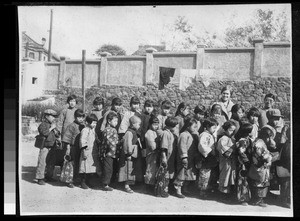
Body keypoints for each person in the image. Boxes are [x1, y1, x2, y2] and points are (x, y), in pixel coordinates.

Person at [248, 127, 274, 207]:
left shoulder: (257, 141)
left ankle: (257, 199)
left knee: (258, 182)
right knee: (260, 183)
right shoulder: (260, 143)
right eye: (268, 137)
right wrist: (271, 156)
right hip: (260, 166)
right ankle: (258, 200)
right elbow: (264, 156)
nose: (269, 139)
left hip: (256, 165)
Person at [173, 117, 198, 198]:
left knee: (187, 174)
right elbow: (182, 146)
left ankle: (185, 189)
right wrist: (184, 157)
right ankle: (178, 191)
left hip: (190, 158)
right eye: (194, 126)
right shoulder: (183, 135)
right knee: (181, 174)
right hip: (183, 159)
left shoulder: (192, 135)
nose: (195, 128)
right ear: (188, 126)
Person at [118, 115, 143, 193]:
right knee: (127, 170)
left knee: (131, 169)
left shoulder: (134, 132)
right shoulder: (129, 132)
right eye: (138, 124)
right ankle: (126, 185)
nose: (139, 126)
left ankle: (130, 183)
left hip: (133, 154)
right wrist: (128, 154)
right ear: (133, 124)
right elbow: (127, 144)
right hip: (129, 155)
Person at [35, 109, 60, 185]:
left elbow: (58, 134)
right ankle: (40, 178)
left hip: (52, 146)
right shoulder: (43, 124)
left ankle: (49, 176)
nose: (53, 118)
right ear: (46, 116)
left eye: (54, 116)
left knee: (51, 162)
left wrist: (56, 131)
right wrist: (51, 128)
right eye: (52, 116)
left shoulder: (52, 124)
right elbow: (44, 133)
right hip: (45, 146)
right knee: (42, 162)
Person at [61, 109, 85, 188]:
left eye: (82, 117)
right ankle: (69, 180)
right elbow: (67, 137)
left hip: (80, 148)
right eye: (79, 117)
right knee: (71, 164)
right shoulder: (71, 126)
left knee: (78, 164)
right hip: (73, 147)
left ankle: (76, 179)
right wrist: (68, 147)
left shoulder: (83, 126)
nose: (80, 119)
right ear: (75, 117)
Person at [197, 117, 219, 199]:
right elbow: (202, 145)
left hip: (210, 157)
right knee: (204, 175)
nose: (214, 130)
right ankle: (202, 191)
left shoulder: (210, 135)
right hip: (206, 157)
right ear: (207, 126)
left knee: (209, 175)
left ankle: (208, 190)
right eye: (213, 127)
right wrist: (210, 151)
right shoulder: (204, 135)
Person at [216, 120, 237, 203]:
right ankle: (222, 195)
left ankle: (228, 194)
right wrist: (233, 148)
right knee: (225, 176)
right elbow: (225, 153)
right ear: (225, 129)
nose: (232, 132)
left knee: (230, 177)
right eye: (230, 130)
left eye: (233, 131)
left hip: (231, 162)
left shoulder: (231, 139)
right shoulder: (222, 139)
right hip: (225, 161)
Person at [158, 116, 179, 197]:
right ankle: (162, 191)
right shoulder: (166, 133)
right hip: (166, 157)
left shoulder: (171, 134)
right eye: (175, 126)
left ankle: (166, 190)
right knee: (164, 175)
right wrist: (164, 158)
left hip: (171, 158)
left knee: (168, 175)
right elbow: (163, 147)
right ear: (171, 126)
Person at [78, 114, 100, 189]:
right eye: (93, 123)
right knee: (84, 168)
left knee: (91, 168)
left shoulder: (92, 130)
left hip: (92, 152)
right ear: (88, 122)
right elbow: (82, 140)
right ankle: (82, 182)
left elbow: (96, 138)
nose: (94, 125)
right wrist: (83, 150)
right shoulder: (85, 130)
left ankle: (88, 181)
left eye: (95, 123)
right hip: (86, 151)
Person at [99, 111, 119, 191]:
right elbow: (109, 140)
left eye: (117, 121)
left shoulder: (113, 129)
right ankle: (105, 184)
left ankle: (109, 182)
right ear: (109, 121)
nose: (116, 123)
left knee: (111, 168)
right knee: (107, 168)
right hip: (108, 152)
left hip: (112, 152)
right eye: (114, 121)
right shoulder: (107, 130)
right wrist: (117, 143)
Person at [235, 123, 253, 206]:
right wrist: (247, 161)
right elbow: (241, 152)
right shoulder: (242, 141)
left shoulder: (247, 139)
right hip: (243, 163)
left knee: (245, 180)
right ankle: (242, 199)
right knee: (242, 181)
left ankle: (246, 197)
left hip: (247, 162)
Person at [144, 116, 161, 194]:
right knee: (150, 169)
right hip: (151, 153)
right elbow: (152, 145)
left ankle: (153, 184)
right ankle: (148, 185)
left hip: (156, 153)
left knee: (155, 169)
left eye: (157, 124)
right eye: (154, 124)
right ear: (150, 124)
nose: (156, 126)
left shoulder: (156, 132)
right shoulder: (149, 133)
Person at [276, 125, 291, 208]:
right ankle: (284, 200)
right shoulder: (288, 145)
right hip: (284, 168)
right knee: (286, 184)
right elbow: (287, 159)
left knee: (286, 184)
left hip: (284, 167)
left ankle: (284, 199)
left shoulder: (288, 143)